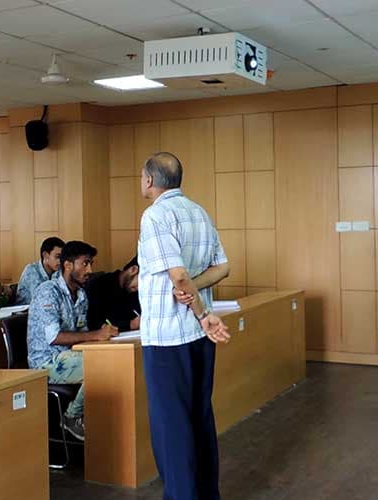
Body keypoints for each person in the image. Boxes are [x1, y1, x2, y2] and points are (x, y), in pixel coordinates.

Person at [137, 152, 231, 499]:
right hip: (197, 338)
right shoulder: (199, 212)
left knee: (171, 427)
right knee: (199, 419)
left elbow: (177, 276)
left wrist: (200, 308)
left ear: (149, 180)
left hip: (168, 339)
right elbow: (222, 267)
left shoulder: (155, 216)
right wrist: (197, 295)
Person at [26, 241, 118, 440]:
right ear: (68, 265)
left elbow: (81, 334)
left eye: (90, 263)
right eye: (85, 263)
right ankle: (72, 416)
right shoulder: (47, 291)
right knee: (101, 368)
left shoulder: (81, 294)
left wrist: (104, 339)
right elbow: (55, 337)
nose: (89, 270)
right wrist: (96, 335)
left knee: (116, 359)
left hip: (70, 355)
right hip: (47, 362)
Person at [86, 256, 141, 332]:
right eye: (144, 280)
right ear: (133, 270)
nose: (141, 287)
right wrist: (130, 324)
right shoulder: (99, 285)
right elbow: (94, 323)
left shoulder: (134, 292)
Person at [15, 237, 64, 306]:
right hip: (25, 313)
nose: (60, 261)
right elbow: (42, 300)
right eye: (57, 257)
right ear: (45, 255)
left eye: (62, 257)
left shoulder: (58, 271)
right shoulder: (31, 271)